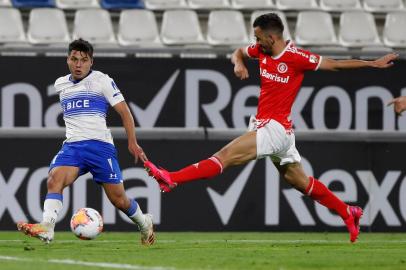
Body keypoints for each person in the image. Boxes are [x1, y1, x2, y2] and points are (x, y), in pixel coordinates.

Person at [144, 13, 399, 243]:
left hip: (275, 128)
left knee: (225, 157)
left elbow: (336, 64)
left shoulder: (296, 57)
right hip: (279, 132)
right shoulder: (261, 50)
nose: (255, 42)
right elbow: (239, 52)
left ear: (272, 36)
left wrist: (372, 64)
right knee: (300, 182)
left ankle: (172, 178)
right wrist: (238, 63)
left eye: (258, 37)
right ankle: (347, 211)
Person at [17, 39, 155, 246]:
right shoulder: (61, 84)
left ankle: (144, 223)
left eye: (84, 60)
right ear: (68, 60)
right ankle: (47, 227)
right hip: (73, 146)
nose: (78, 64)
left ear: (91, 62)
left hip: (101, 147)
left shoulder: (102, 81)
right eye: (74, 59)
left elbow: (125, 112)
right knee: (54, 179)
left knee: (119, 200)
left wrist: (132, 142)